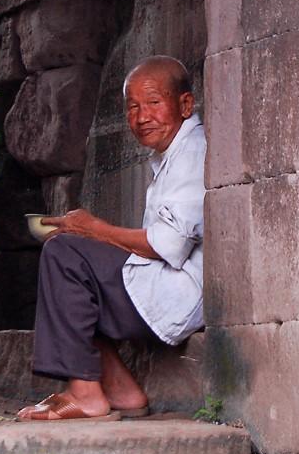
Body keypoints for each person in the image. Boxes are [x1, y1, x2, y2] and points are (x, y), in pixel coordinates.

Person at [17, 55, 205, 421]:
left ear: (185, 104)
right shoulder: (174, 153)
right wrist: (94, 238)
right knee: (75, 269)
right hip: (167, 287)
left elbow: (167, 246)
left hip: (176, 297)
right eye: (132, 106)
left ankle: (86, 394)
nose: (141, 116)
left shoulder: (192, 154)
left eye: (153, 102)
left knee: (65, 253)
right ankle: (122, 391)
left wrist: (94, 230)